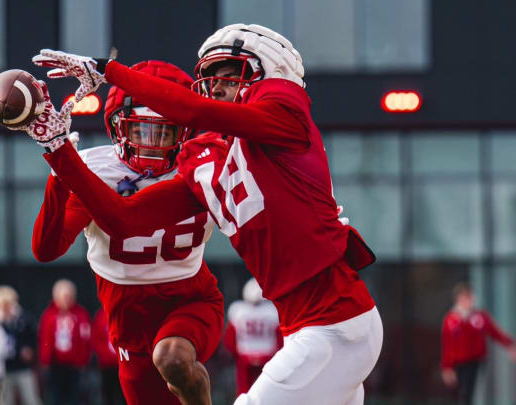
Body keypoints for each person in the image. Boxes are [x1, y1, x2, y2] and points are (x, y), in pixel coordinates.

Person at [29, 22, 383, 405]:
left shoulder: (286, 110)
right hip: (305, 326)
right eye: (210, 79)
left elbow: (193, 108)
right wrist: (57, 148)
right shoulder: (210, 159)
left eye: (228, 75)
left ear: (267, 68)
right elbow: (123, 219)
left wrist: (108, 70)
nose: (216, 87)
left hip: (334, 323)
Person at [30, 60, 223, 405]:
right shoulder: (98, 170)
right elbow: (47, 249)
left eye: (164, 131)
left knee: (174, 357)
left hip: (191, 300)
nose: (151, 144)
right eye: (140, 131)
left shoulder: (199, 166)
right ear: (119, 127)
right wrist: (59, 179)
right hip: (129, 325)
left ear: (184, 132)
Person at [441, 282, 516, 405]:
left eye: (470, 297)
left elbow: (494, 332)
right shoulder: (451, 319)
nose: (468, 301)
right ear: (458, 299)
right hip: (458, 362)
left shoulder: (479, 316)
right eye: (465, 298)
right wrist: (447, 367)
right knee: (461, 392)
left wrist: (510, 344)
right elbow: (447, 344)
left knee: (469, 391)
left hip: (475, 360)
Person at [224, 278, 282, 396]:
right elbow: (280, 340)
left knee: (244, 393)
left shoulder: (238, 310)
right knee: (269, 392)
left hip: (245, 357)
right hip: (268, 357)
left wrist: (237, 354)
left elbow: (229, 340)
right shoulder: (272, 311)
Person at [37, 279, 91, 405]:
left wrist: (84, 360)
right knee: (56, 396)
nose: (66, 300)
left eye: (69, 296)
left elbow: (86, 338)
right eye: (63, 297)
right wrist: (45, 359)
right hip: (55, 364)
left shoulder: (80, 313)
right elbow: (44, 338)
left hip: (75, 364)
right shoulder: (49, 314)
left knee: (75, 396)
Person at [0, 286, 42, 405]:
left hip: (22, 367)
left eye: (8, 304)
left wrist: (30, 349)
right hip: (2, 368)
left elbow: (35, 337)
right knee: (4, 400)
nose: (6, 308)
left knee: (31, 399)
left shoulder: (23, 319)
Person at [91, 307, 125, 405]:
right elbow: (96, 339)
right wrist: (103, 356)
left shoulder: (125, 313)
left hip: (124, 364)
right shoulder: (101, 316)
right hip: (107, 366)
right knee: (108, 395)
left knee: (124, 396)